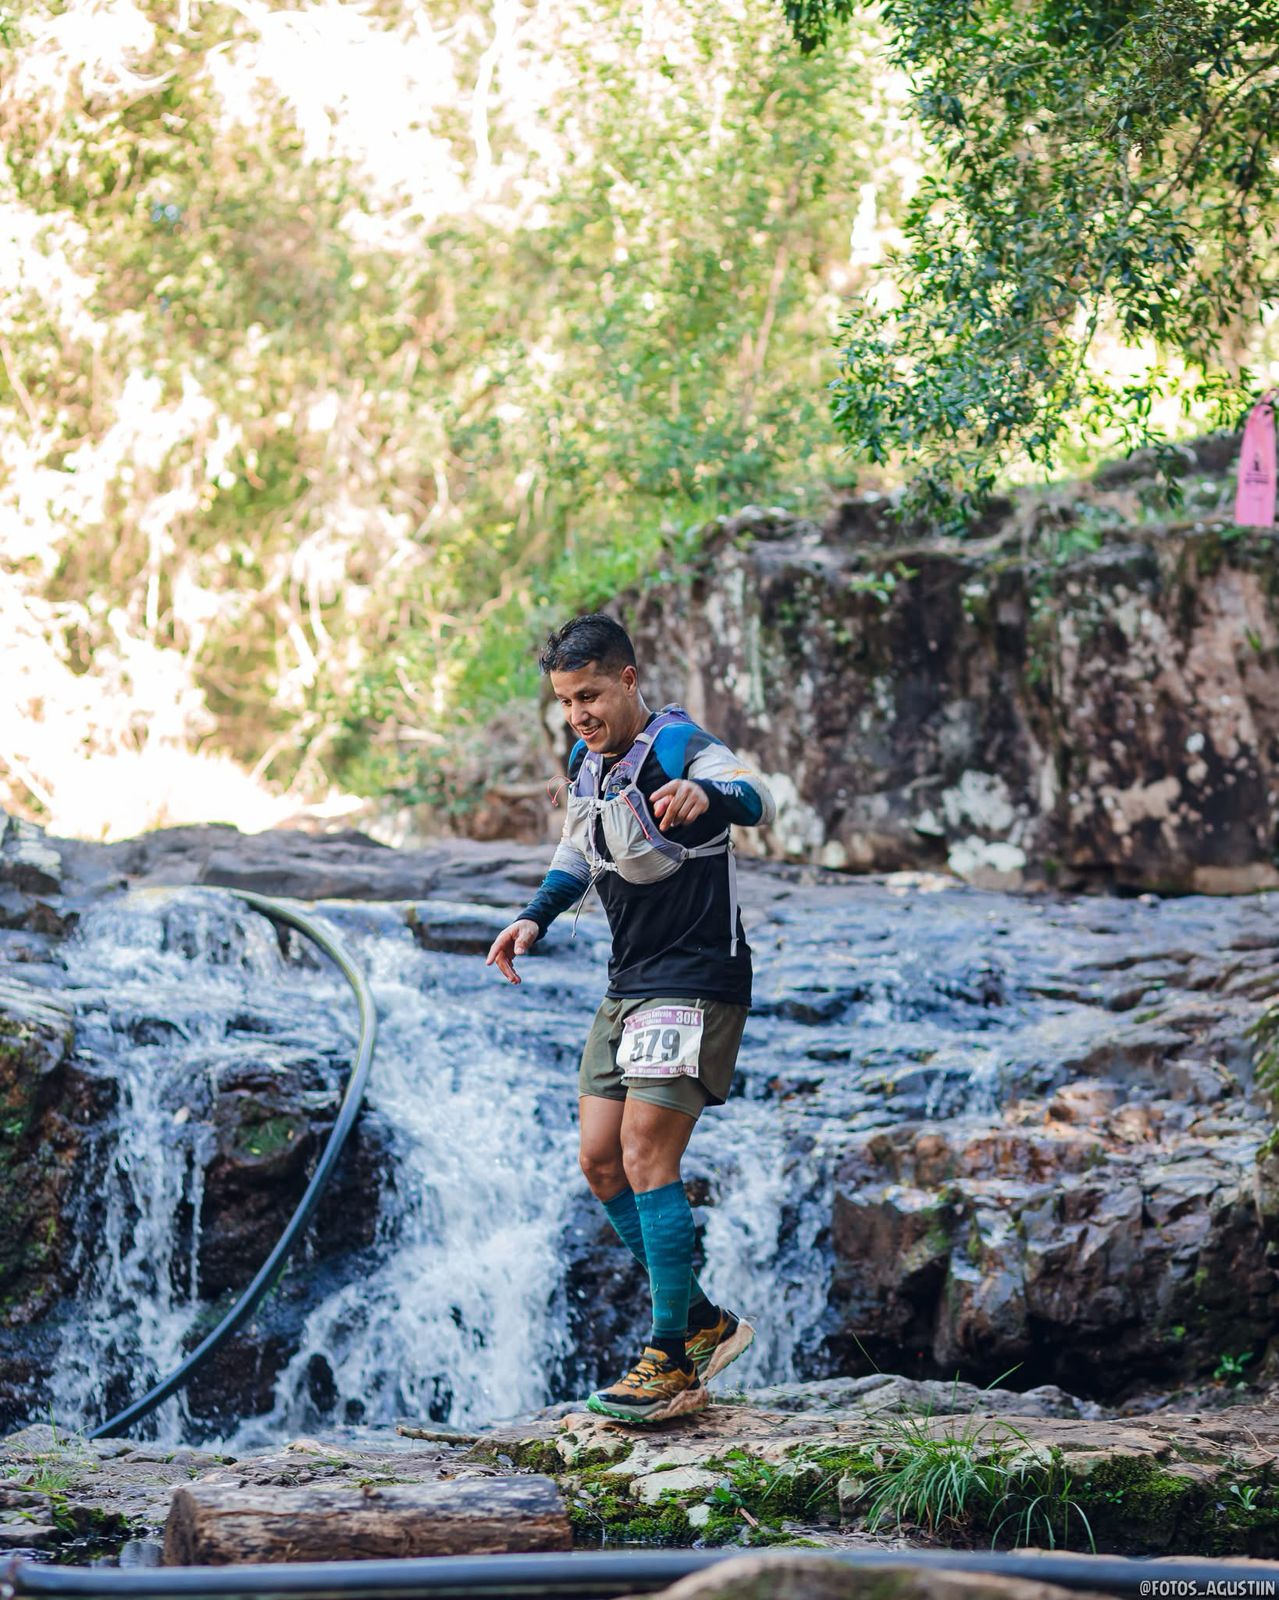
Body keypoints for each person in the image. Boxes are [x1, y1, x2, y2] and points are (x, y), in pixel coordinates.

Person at [485, 613, 777, 1423]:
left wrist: (705, 793)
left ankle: (668, 1361)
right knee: (599, 1162)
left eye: (589, 695)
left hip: (696, 978)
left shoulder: (681, 744)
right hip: (629, 985)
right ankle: (702, 1322)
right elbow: (576, 853)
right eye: (565, 701)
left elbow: (755, 794)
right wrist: (534, 919)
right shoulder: (587, 761)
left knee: (647, 1154)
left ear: (628, 680)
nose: (578, 713)